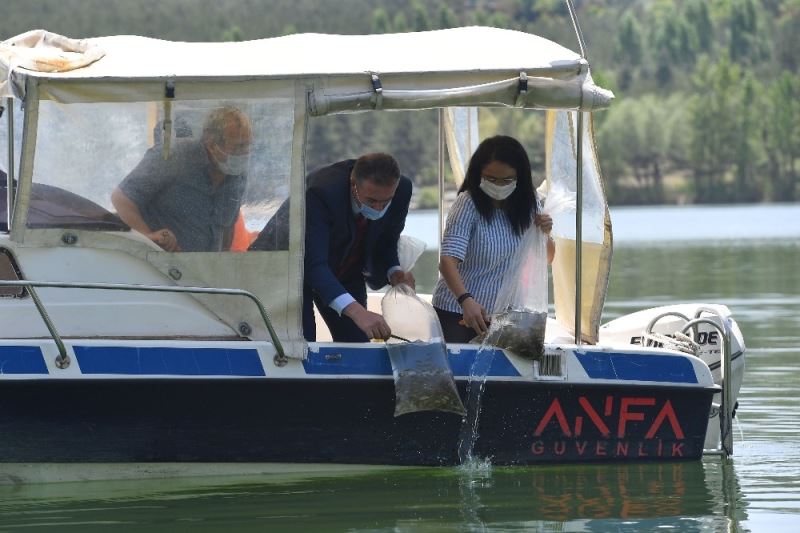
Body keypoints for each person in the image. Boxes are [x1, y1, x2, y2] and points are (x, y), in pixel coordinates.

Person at [432, 135, 555, 343]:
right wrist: (466, 300)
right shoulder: (467, 203)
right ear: (478, 174)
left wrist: (545, 233)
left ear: (520, 178)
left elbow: (547, 259)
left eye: (507, 180)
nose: (498, 185)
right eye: (491, 179)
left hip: (506, 315)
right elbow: (447, 262)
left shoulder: (529, 202)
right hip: (459, 312)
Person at [304, 153, 415, 342]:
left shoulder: (402, 189)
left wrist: (394, 271)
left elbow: (388, 239)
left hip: (348, 272)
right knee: (301, 343)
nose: (379, 209)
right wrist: (357, 312)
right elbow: (313, 264)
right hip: (298, 273)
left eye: (386, 202)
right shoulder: (322, 191)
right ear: (353, 183)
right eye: (371, 201)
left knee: (358, 341)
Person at [111, 106, 252, 252]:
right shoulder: (173, 157)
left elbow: (227, 230)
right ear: (211, 144)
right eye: (238, 147)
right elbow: (121, 198)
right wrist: (148, 236)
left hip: (206, 265)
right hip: (159, 263)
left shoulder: (237, 176)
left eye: (248, 145)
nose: (245, 153)